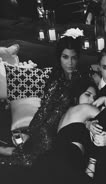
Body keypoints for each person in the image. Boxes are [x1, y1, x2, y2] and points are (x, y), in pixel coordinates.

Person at [0, 34, 82, 167]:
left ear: (78, 58)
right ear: (59, 57)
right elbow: (44, 108)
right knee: (23, 161)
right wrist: (28, 132)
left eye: (74, 57)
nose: (70, 62)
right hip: (44, 130)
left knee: (24, 161)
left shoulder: (80, 80)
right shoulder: (55, 78)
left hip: (60, 132)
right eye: (65, 57)